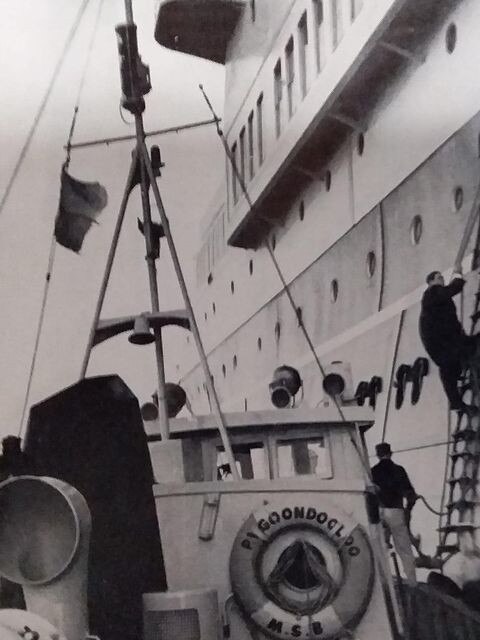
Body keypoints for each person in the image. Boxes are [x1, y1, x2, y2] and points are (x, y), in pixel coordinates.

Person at [419, 269, 479, 412]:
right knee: (449, 366)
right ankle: (456, 402)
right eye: (439, 278)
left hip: (444, 340)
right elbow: (451, 290)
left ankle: (456, 403)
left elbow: (450, 321)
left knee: (450, 366)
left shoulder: (435, 296)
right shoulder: (432, 292)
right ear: (431, 282)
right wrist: (458, 278)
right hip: (440, 342)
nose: (442, 280)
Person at [371, 442, 417, 585]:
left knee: (380, 547)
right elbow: (410, 494)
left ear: (378, 455)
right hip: (396, 511)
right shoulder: (399, 470)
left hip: (379, 513)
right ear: (391, 453)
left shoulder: (372, 471)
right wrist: (408, 510)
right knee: (404, 549)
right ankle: (412, 581)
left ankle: (384, 581)